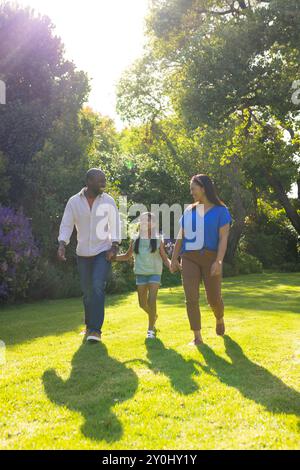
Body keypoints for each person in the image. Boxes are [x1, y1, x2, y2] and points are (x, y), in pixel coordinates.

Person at [57, 168, 121, 343]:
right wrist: (62, 244)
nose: (104, 184)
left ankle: (95, 330)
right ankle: (88, 325)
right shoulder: (74, 202)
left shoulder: (108, 201)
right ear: (89, 181)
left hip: (103, 251)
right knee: (87, 292)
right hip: (83, 253)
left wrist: (114, 246)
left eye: (104, 180)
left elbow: (115, 223)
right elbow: (66, 224)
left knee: (97, 286)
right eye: (100, 180)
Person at [171, 174, 232, 346]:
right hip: (189, 256)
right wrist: (174, 258)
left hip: (211, 257)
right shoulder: (189, 210)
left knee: (213, 298)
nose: (191, 192)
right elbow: (180, 236)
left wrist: (219, 261)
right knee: (191, 297)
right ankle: (197, 336)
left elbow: (223, 239)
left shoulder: (221, 211)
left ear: (203, 188)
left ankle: (219, 318)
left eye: (193, 188)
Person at [115, 212, 171, 339]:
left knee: (152, 300)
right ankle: (153, 315)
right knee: (142, 304)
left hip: (155, 272)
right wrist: (112, 258)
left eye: (149, 220)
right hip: (141, 274)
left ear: (154, 224)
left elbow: (164, 258)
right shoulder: (135, 240)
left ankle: (150, 330)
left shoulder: (157, 240)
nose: (146, 223)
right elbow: (127, 256)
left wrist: (172, 265)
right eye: (144, 220)